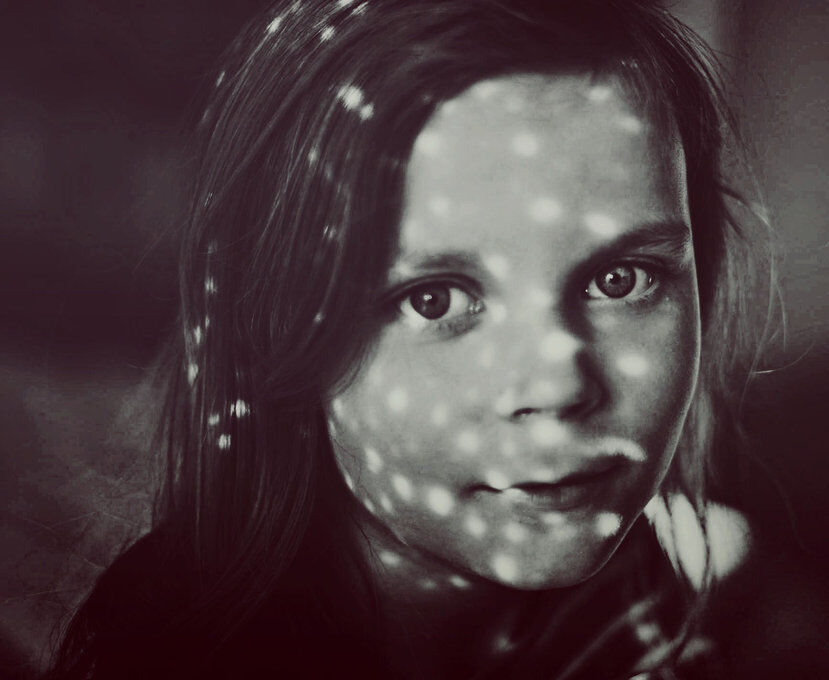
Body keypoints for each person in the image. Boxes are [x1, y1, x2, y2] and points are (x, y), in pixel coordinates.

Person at [48, 0, 770, 677]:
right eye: (434, 299)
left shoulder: (634, 598)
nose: (558, 384)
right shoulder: (182, 653)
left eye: (621, 279)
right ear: (278, 321)